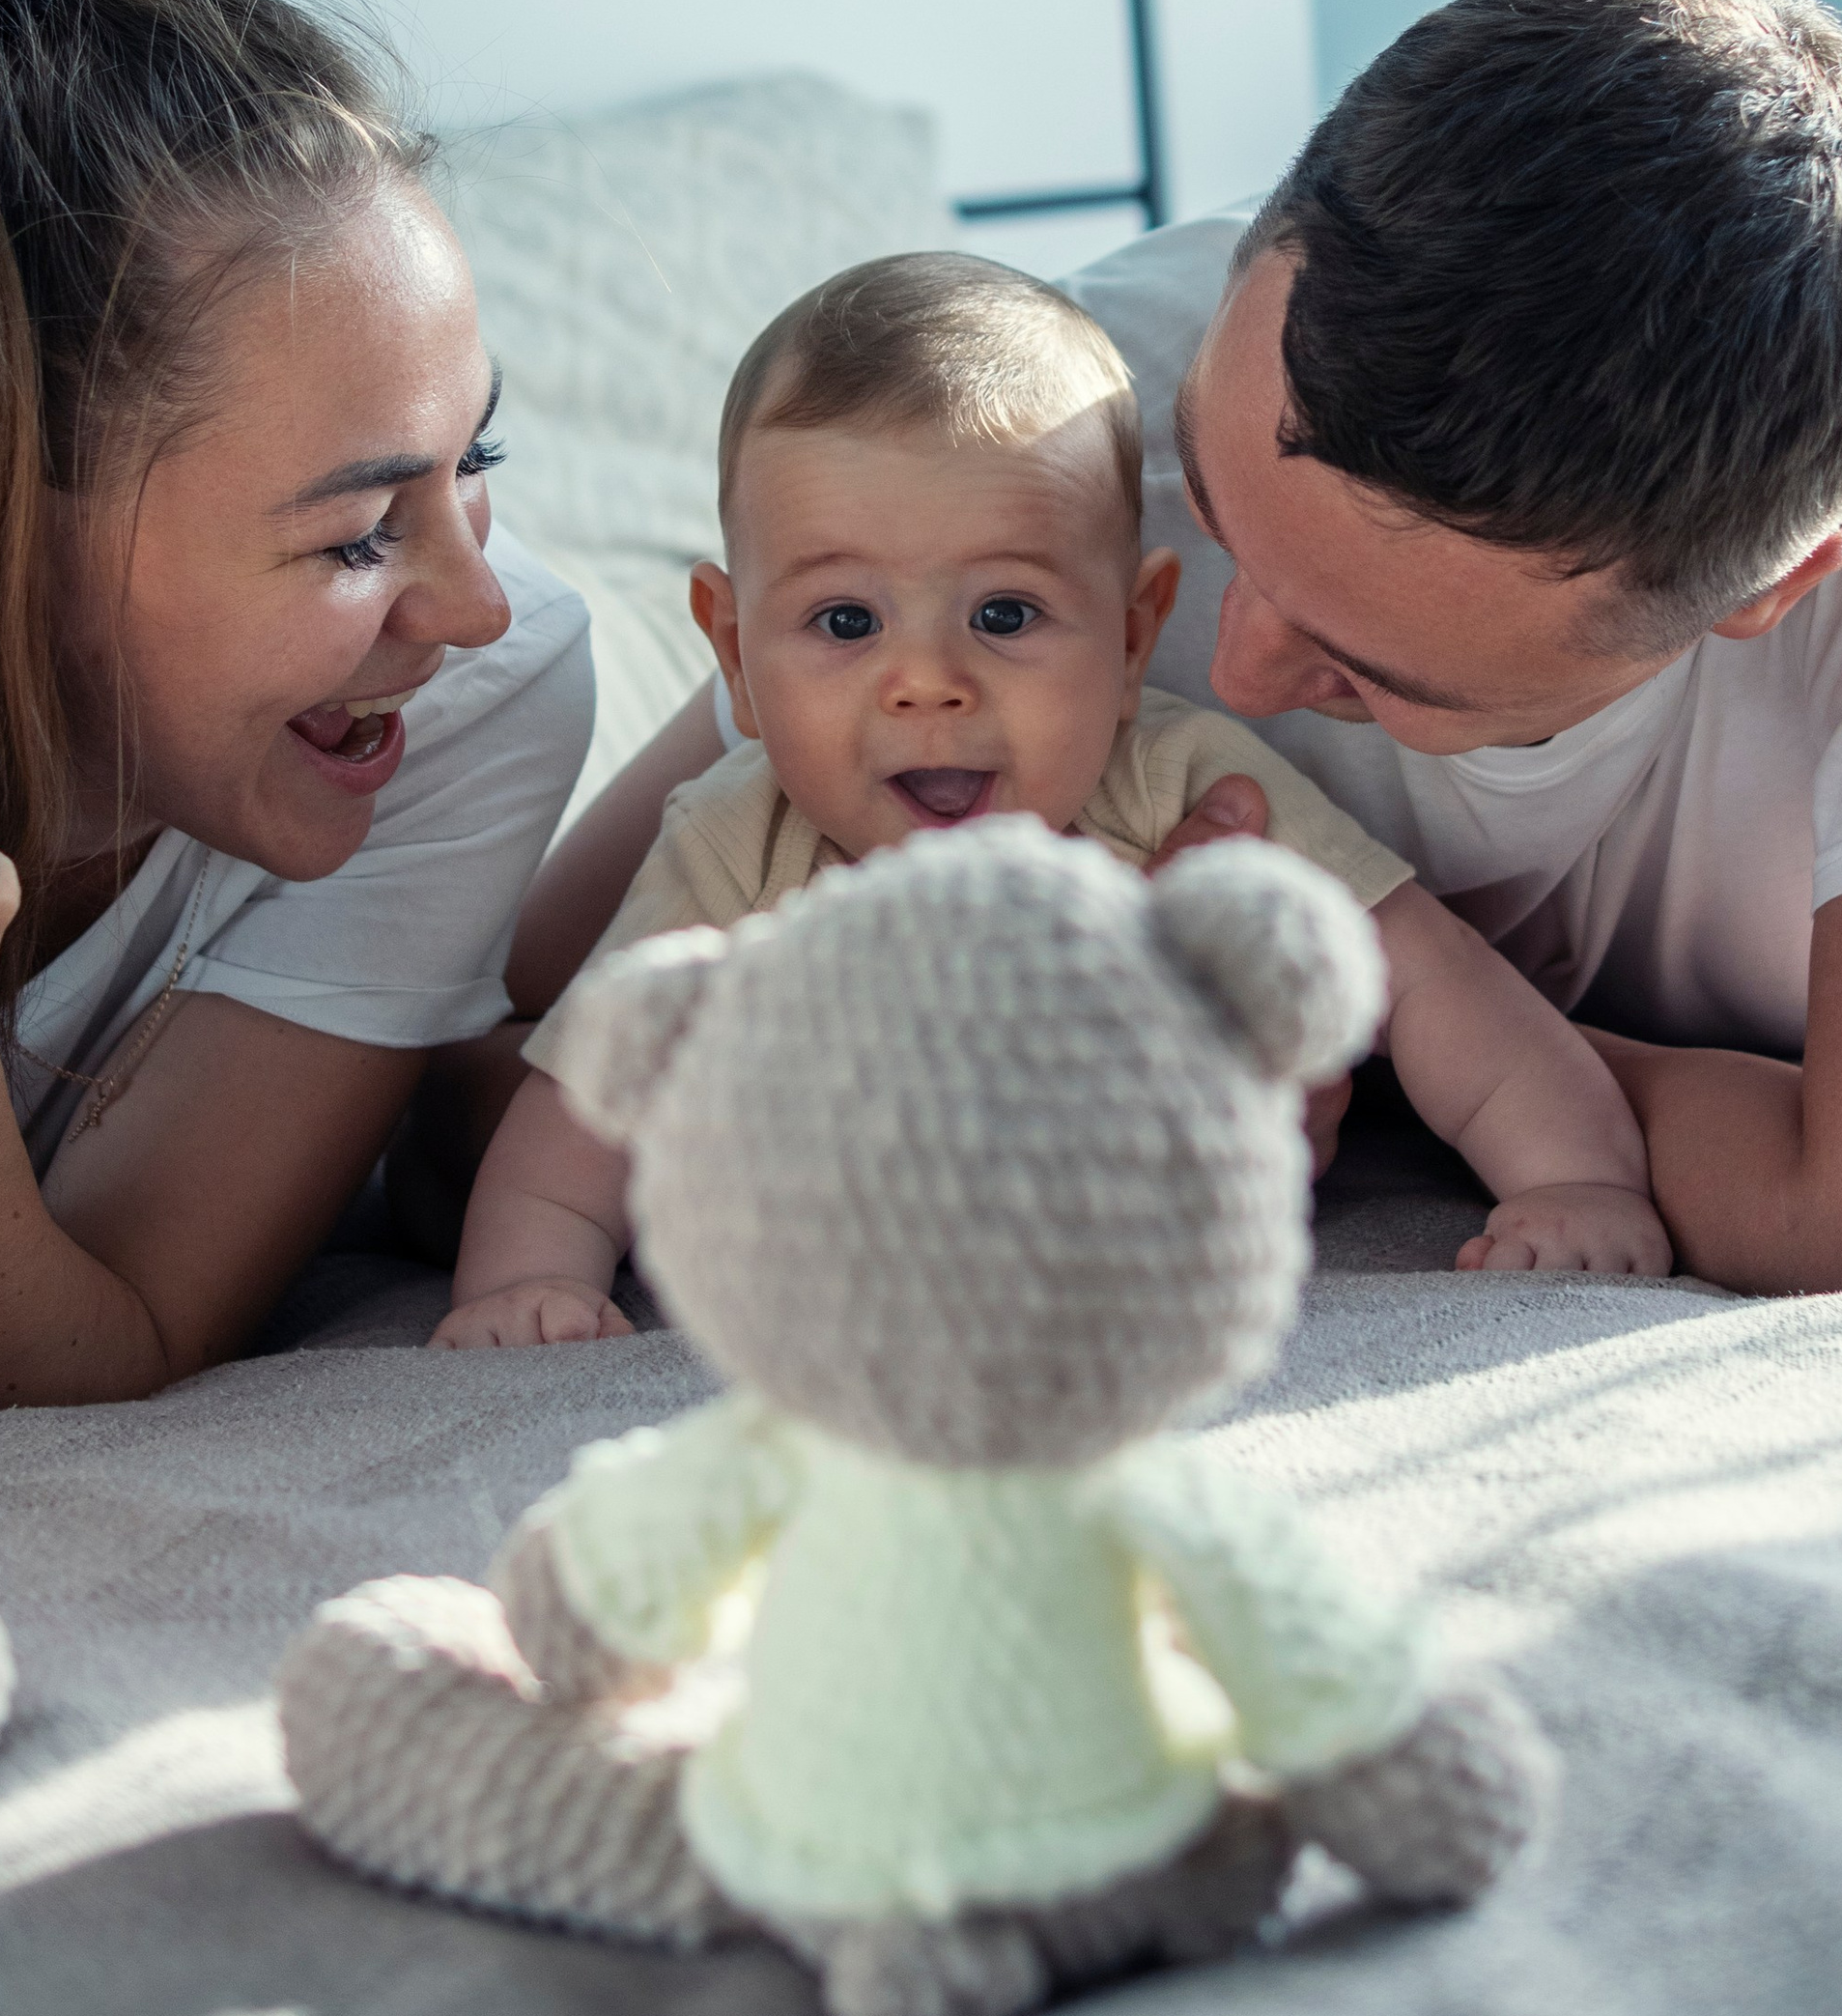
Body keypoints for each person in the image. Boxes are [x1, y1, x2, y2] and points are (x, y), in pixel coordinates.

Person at [1068, 0, 1842, 1292]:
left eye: (1368, 676)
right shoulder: (1058, 420)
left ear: (1772, 587)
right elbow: (730, 861)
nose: (1234, 665)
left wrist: (1408, 1031)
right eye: (1222, 523)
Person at [0, 0, 591, 1440]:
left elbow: (93, 1348)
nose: (474, 607)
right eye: (361, 533)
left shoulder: (473, 708)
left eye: (477, 454)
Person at [438, 254, 1661, 1346]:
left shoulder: (1181, 785)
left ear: (1132, 639)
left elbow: (1427, 978)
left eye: (1005, 615)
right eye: (845, 621)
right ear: (736, 655)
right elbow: (586, 1094)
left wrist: (1570, 1179)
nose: (928, 684)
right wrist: (528, 1276)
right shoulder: (733, 850)